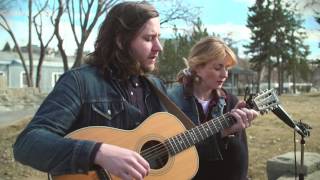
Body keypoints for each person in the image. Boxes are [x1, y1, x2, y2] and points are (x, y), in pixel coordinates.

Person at [13, 1, 165, 180]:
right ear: (120, 40)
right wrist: (97, 153)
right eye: (148, 39)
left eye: (158, 37)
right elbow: (27, 144)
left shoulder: (156, 87)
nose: (159, 47)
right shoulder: (80, 82)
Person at [168, 36, 259, 180]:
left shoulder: (230, 101)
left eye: (227, 68)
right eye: (218, 67)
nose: (225, 74)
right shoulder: (172, 102)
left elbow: (240, 156)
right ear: (198, 67)